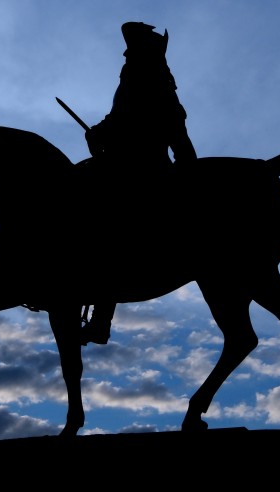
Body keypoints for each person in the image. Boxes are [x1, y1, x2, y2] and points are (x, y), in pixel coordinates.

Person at [80, 21, 197, 346]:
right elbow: (119, 116)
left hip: (143, 168)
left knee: (108, 226)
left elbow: (164, 125)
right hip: (117, 163)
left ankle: (101, 319)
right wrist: (99, 132)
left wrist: (106, 132)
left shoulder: (154, 82)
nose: (126, 55)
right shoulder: (133, 79)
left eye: (131, 50)